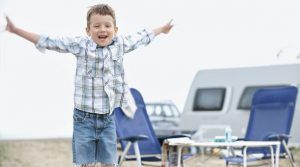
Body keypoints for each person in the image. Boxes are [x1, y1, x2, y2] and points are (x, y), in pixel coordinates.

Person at [5, 3, 173, 167]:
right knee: (85, 163)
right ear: (88, 30)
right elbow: (50, 41)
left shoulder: (121, 44)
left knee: (109, 162)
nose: (102, 29)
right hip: (83, 118)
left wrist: (162, 30)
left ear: (115, 30)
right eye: (96, 26)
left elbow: (142, 37)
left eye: (107, 25)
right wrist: (16, 30)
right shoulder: (81, 45)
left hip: (107, 119)